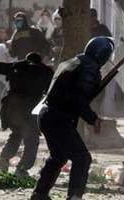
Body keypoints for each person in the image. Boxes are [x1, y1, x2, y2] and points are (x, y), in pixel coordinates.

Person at [30, 37, 115, 200]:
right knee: (82, 157)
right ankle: (74, 197)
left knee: (58, 156)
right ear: (103, 54)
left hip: (47, 114)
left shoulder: (74, 61)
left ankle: (39, 194)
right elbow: (78, 99)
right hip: (58, 117)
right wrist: (93, 118)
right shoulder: (89, 68)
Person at [0, 52, 53, 177]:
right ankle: (21, 169)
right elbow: (51, 92)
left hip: (10, 108)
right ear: (41, 61)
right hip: (29, 109)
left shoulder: (15, 66)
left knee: (16, 134)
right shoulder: (46, 71)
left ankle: (4, 160)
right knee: (31, 138)